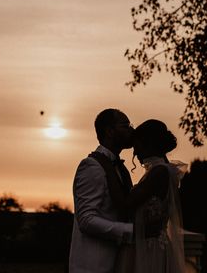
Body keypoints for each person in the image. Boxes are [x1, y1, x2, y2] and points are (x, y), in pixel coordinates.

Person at [92, 119, 187, 273]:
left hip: (149, 250)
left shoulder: (159, 172)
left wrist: (108, 168)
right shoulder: (161, 170)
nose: (135, 153)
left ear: (147, 143)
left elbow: (125, 203)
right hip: (144, 247)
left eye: (137, 145)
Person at [69, 108, 136, 273]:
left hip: (119, 263)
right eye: (126, 126)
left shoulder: (120, 169)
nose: (132, 130)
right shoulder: (92, 166)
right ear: (110, 131)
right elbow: (85, 219)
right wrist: (131, 231)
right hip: (93, 267)